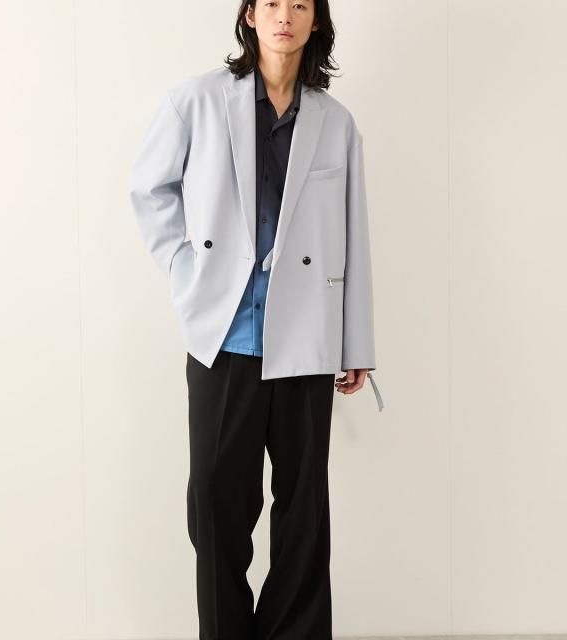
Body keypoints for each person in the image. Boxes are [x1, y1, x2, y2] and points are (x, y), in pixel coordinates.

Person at [129, 1, 384, 637]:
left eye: (300, 5)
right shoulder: (197, 101)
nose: (284, 16)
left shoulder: (335, 121)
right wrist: (187, 272)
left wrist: (356, 343)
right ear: (248, 16)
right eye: (270, 2)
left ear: (317, 22)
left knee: (303, 514)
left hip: (306, 339)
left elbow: (352, 235)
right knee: (217, 508)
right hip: (225, 338)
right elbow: (149, 191)